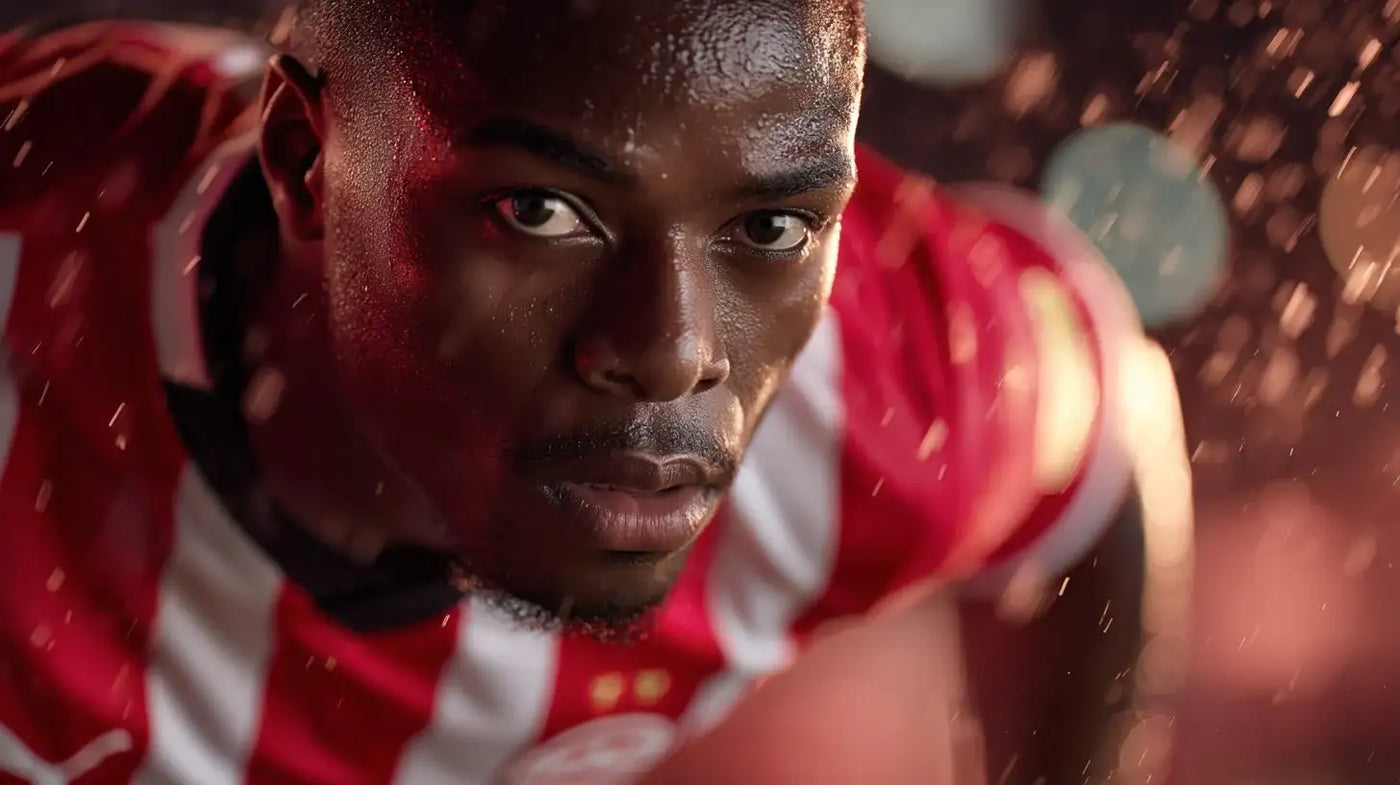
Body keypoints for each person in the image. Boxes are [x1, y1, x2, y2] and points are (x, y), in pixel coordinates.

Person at [0, 1, 1170, 782]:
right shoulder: (26, 260)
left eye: (766, 225)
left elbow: (1104, 423)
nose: (667, 351)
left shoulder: (874, 384)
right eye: (543, 211)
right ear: (309, 164)